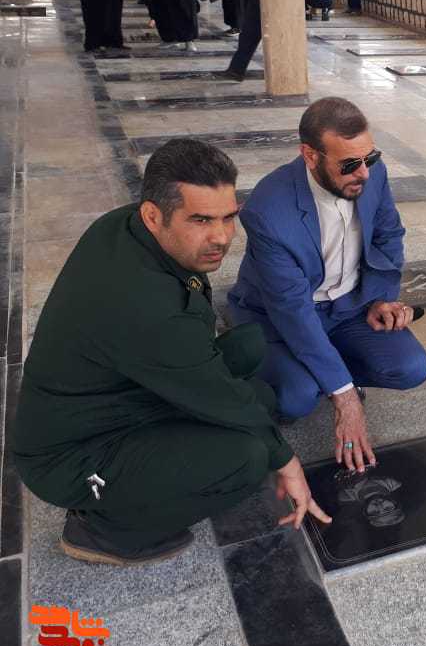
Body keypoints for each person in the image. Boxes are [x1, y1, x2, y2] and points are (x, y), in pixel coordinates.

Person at [12, 139, 330, 566]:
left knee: (252, 363)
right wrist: (289, 464)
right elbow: (215, 387)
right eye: (200, 220)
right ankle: (105, 531)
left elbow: (202, 365)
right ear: (153, 215)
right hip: (72, 455)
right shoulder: (142, 304)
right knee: (247, 458)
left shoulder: (127, 226)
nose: (221, 237)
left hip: (124, 394)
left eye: (228, 217)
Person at [229, 98, 426, 473]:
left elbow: (388, 235)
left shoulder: (372, 174)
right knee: (296, 399)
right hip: (278, 316)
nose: (364, 174)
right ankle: (314, 374)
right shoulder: (268, 209)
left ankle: (324, 369)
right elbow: (292, 310)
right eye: (350, 164)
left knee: (412, 367)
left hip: (349, 306)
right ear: (310, 156)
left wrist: (379, 299)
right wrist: (345, 397)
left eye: (370, 158)